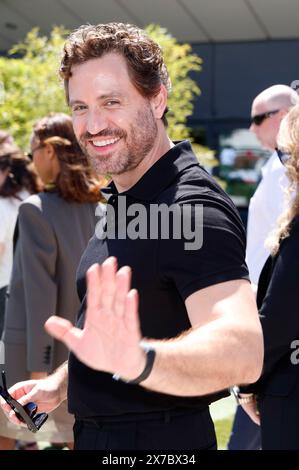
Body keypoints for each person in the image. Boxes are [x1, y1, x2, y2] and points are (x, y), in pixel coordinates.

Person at [1, 23, 263, 451]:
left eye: (112, 102)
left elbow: (242, 352)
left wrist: (138, 360)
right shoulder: (127, 197)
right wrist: (62, 383)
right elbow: (122, 333)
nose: (93, 124)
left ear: (157, 98)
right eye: (81, 107)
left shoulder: (190, 208)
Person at [0, 113, 103, 450]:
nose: (31, 162)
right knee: (78, 439)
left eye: (33, 153)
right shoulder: (104, 209)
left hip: (34, 360)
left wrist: (38, 375)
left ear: (49, 151)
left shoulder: (35, 210)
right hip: (84, 354)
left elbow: (38, 297)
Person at [228, 84, 299, 451]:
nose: (253, 129)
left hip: (276, 322)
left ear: (286, 116)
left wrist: (250, 378)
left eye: (259, 118)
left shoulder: (283, 168)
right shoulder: (275, 165)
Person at [0, 143, 41, 337]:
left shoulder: (3, 206)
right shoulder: (29, 194)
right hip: (28, 282)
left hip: (4, 286)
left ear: (6, 171)